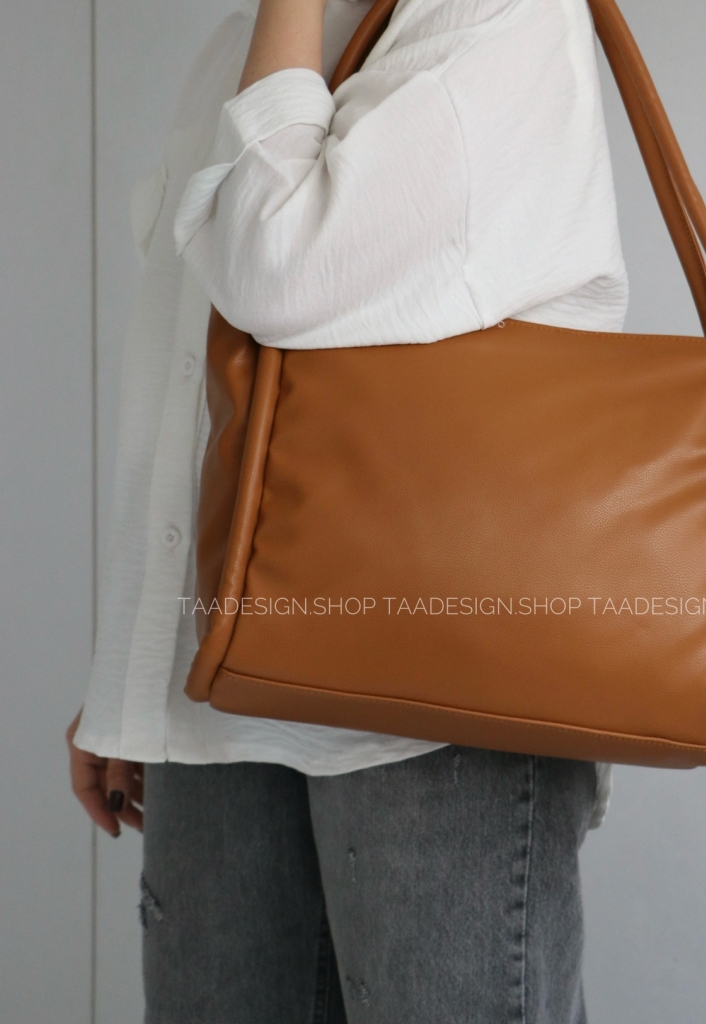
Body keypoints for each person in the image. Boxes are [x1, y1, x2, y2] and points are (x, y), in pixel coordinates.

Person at [67, 0, 628, 1019]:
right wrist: (129, 681)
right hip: (218, 690)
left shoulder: (497, 16)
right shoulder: (257, 36)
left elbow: (278, 272)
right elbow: (189, 375)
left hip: (436, 703)